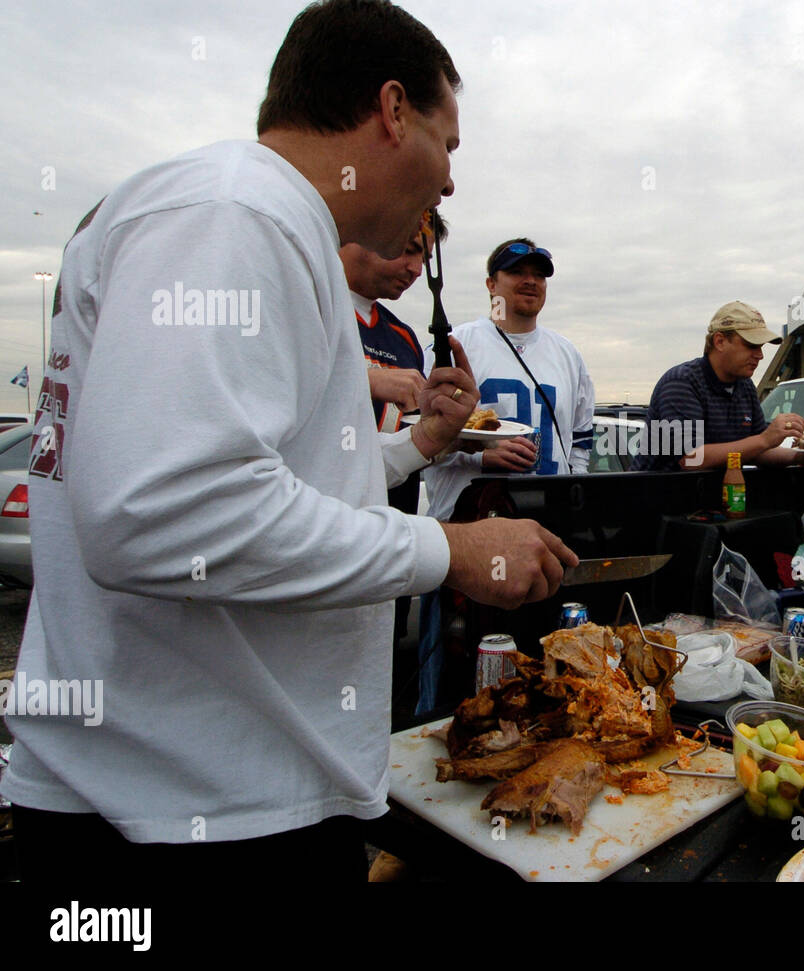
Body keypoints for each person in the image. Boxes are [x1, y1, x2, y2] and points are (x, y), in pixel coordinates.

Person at [0, 0, 575, 883]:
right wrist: (447, 547)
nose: (450, 183)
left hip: (220, 800)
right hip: (179, 821)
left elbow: (270, 481)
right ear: (391, 110)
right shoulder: (236, 211)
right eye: (447, 145)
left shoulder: (263, 221)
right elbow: (161, 513)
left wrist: (415, 446)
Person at [415, 238, 595, 716]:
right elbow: (420, 445)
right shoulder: (456, 346)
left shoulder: (567, 354)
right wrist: (480, 459)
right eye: (517, 272)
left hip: (544, 529)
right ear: (492, 284)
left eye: (539, 273)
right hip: (471, 527)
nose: (530, 281)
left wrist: (570, 492)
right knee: (464, 676)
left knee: (543, 671)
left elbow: (580, 438)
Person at [341, 215, 445, 649]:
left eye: (422, 255)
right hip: (329, 534)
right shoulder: (308, 308)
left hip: (392, 527)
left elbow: (410, 429)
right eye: (407, 248)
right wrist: (362, 377)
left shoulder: (403, 334)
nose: (416, 268)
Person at [632, 301, 804, 471]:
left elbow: (756, 452)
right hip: (657, 496)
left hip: (718, 496)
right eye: (751, 345)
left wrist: (800, 456)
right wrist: (765, 439)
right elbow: (691, 458)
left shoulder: (745, 386)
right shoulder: (681, 382)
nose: (760, 355)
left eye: (761, 347)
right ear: (720, 341)